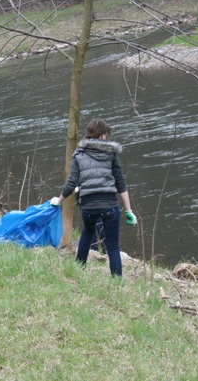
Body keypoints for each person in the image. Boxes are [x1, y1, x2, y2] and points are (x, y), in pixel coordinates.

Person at [50, 118, 137, 276]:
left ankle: (78, 271)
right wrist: (129, 211)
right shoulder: (111, 153)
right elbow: (120, 183)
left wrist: (59, 200)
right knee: (112, 246)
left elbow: (71, 182)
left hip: (88, 206)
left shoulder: (79, 154)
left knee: (86, 234)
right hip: (109, 204)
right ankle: (117, 281)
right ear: (103, 135)